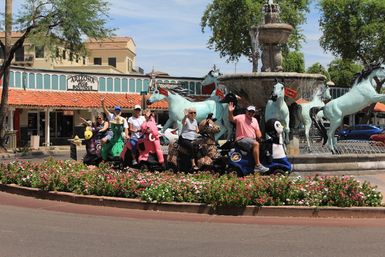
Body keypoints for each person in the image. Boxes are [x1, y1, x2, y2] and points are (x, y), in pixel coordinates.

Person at [228, 102, 269, 173]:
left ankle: (260, 164)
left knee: (264, 146)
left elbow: (257, 131)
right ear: (246, 111)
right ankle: (258, 165)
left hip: (251, 140)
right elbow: (231, 119)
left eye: (253, 112)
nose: (251, 113)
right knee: (256, 144)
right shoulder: (241, 117)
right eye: (249, 111)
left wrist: (261, 138)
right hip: (241, 139)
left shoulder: (255, 120)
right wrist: (230, 112)